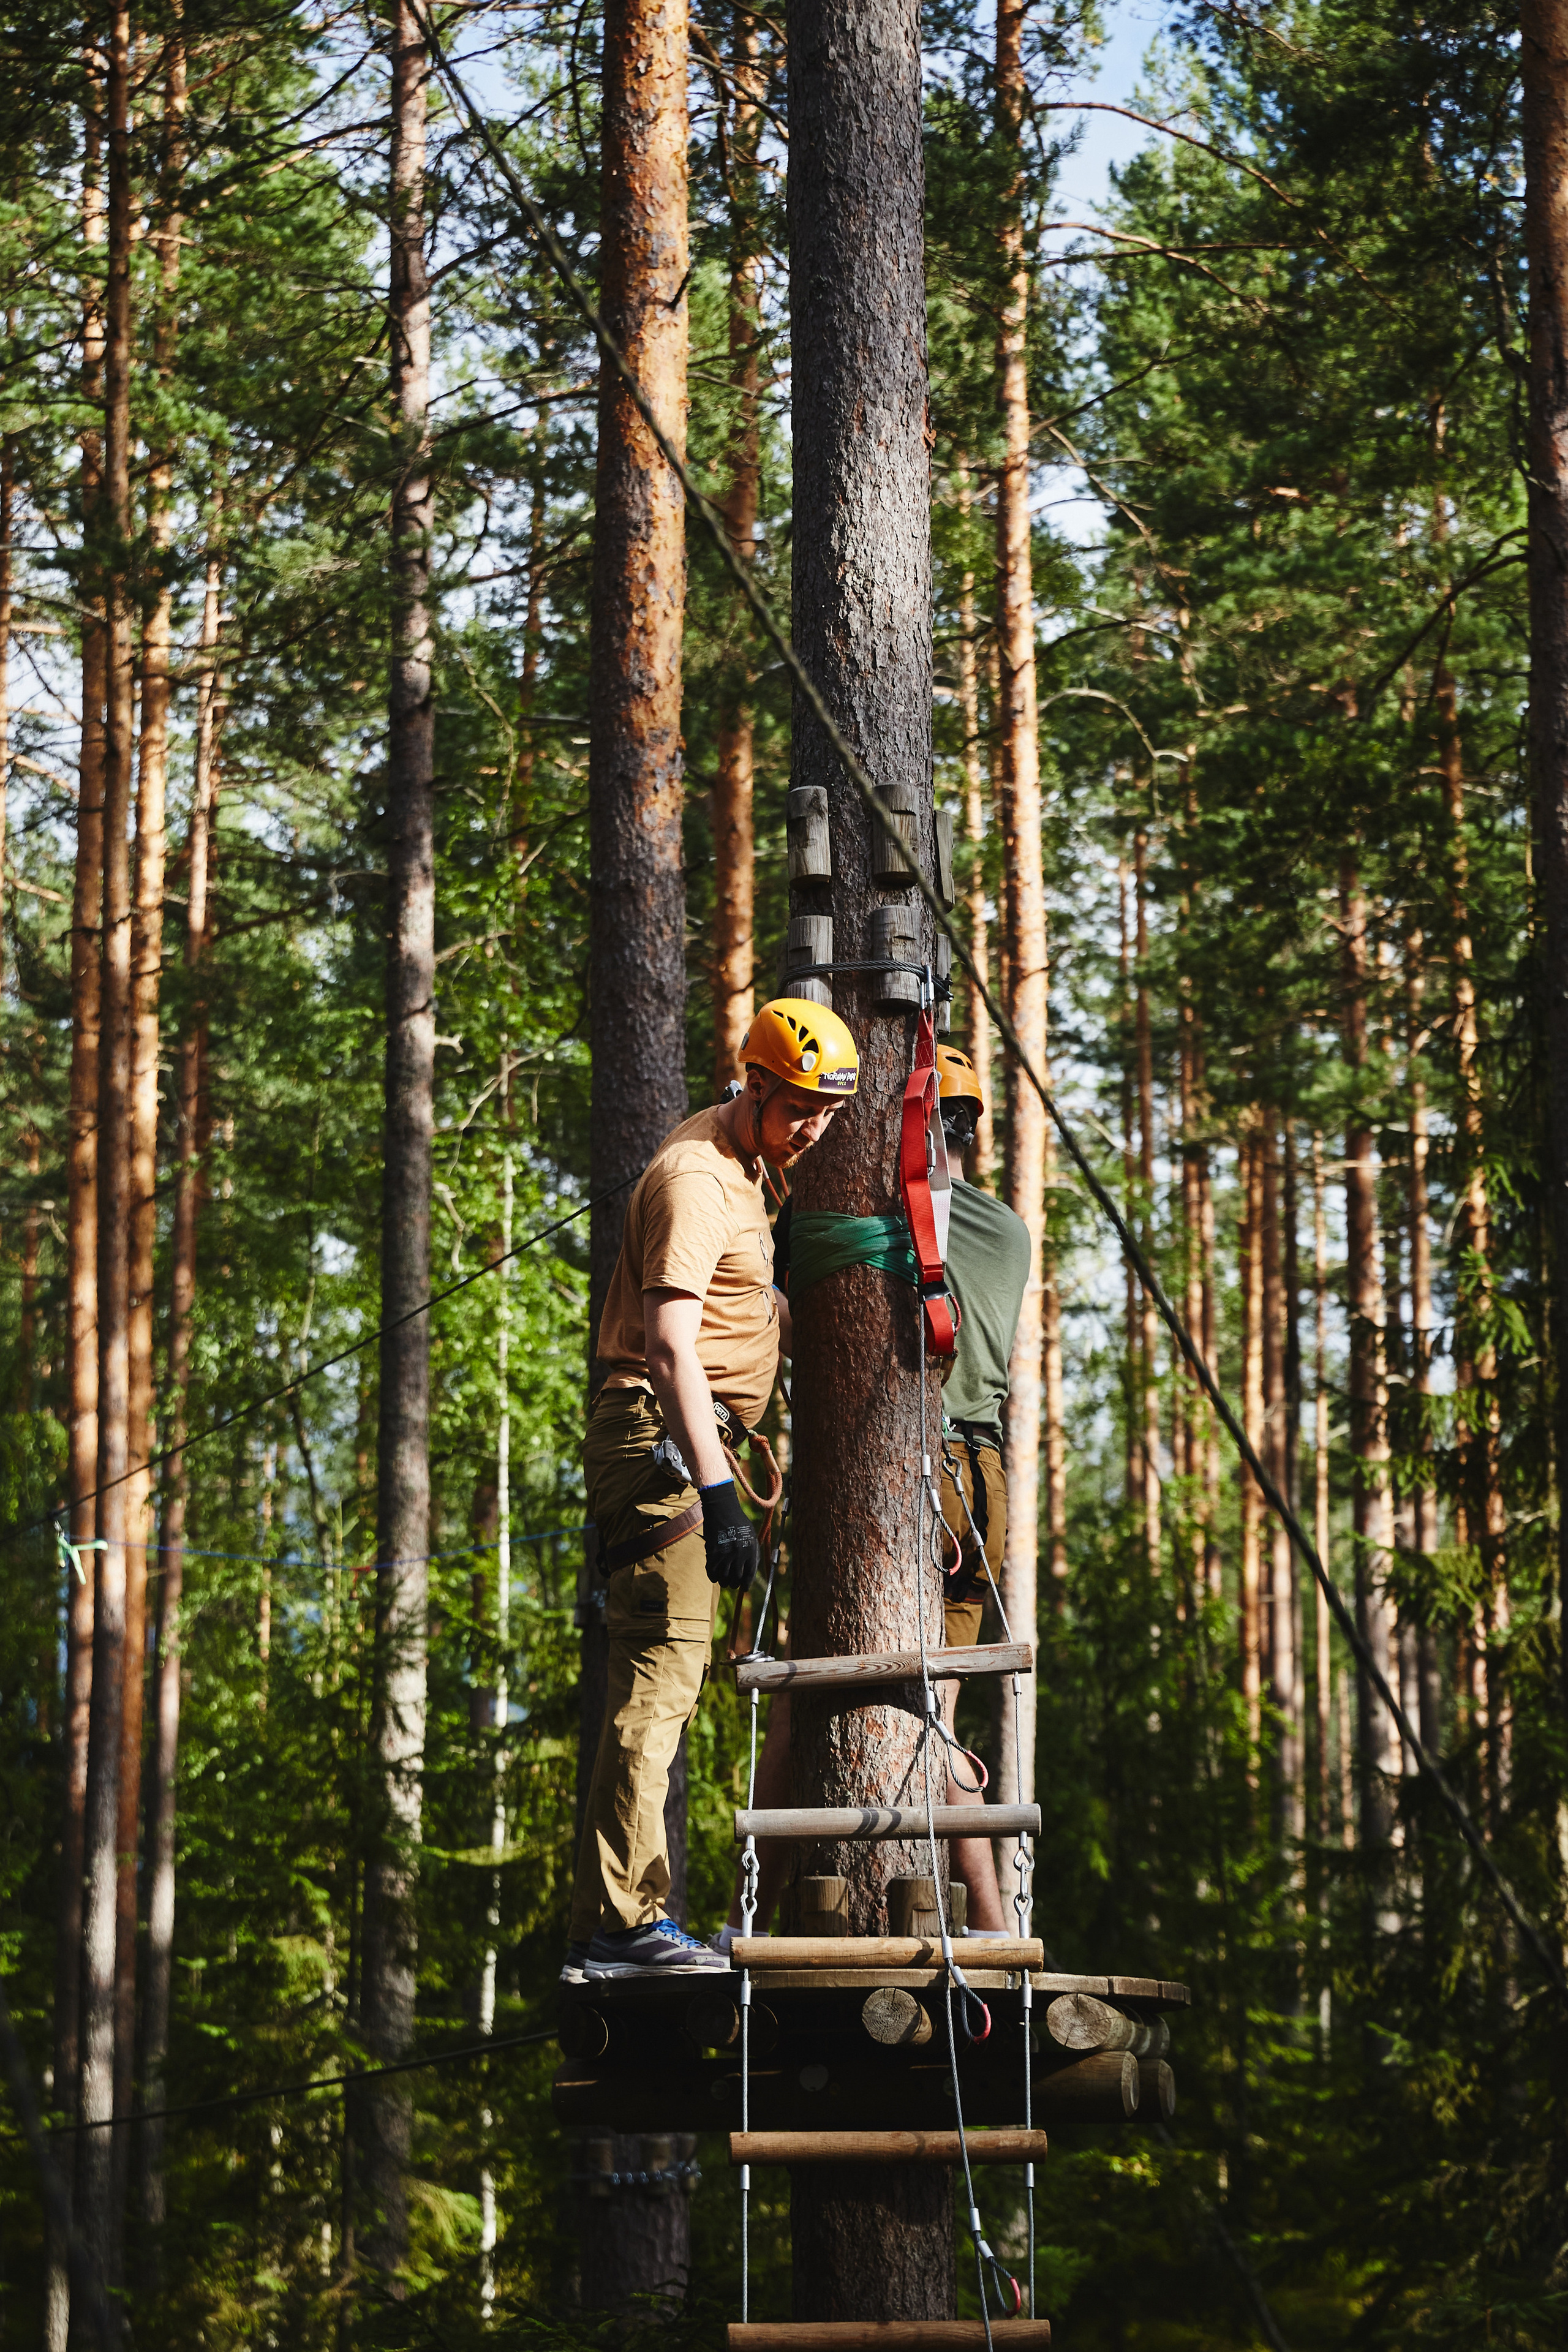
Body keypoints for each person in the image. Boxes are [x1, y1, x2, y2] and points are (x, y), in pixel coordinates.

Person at [564, 998, 859, 1981]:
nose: (811, 1130)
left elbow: (725, 1304)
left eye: (826, 1113)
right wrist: (718, 1489)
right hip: (667, 1445)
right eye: (799, 1109)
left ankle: (631, 1918)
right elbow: (668, 1347)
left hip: (688, 1442)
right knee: (659, 1678)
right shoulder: (697, 1178)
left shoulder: (745, 1169)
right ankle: (625, 1926)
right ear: (756, 1083)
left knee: (669, 1681)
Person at [714, 1040, 1031, 1946]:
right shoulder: (1007, 1233)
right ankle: (994, 1921)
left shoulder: (871, 1227)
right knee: (940, 1713)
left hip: (898, 1484)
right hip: (980, 1488)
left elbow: (793, 1278)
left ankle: (762, 1924)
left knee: (802, 1709)